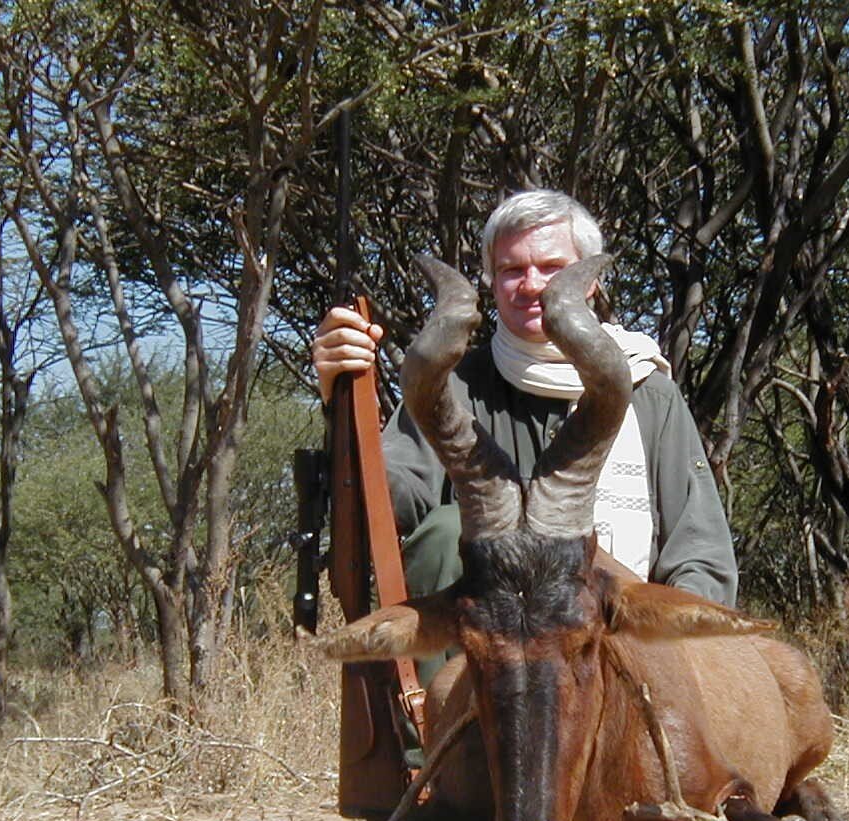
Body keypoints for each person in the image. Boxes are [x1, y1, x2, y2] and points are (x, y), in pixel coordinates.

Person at [311, 190, 737, 655]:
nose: (531, 285)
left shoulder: (649, 393)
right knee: (447, 531)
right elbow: (388, 503)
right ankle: (433, 728)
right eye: (512, 270)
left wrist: (665, 661)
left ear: (589, 284)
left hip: (615, 659)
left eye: (552, 268)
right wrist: (345, 401)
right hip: (482, 671)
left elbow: (701, 555)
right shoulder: (452, 388)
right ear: (493, 282)